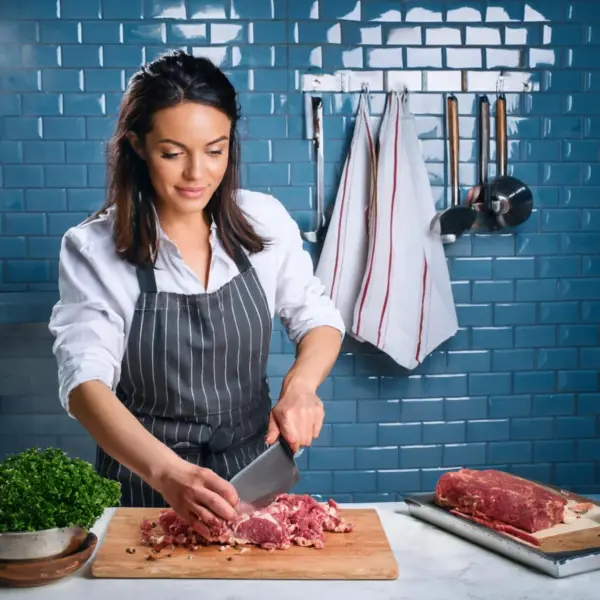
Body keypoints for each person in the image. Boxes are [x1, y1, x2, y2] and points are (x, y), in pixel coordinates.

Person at [48, 50, 344, 531]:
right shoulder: (92, 249)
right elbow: (84, 383)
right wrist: (167, 471)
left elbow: (319, 318)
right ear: (138, 146)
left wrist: (301, 385)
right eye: (172, 153)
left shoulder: (264, 220)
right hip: (145, 485)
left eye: (215, 150)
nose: (197, 174)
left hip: (254, 480)